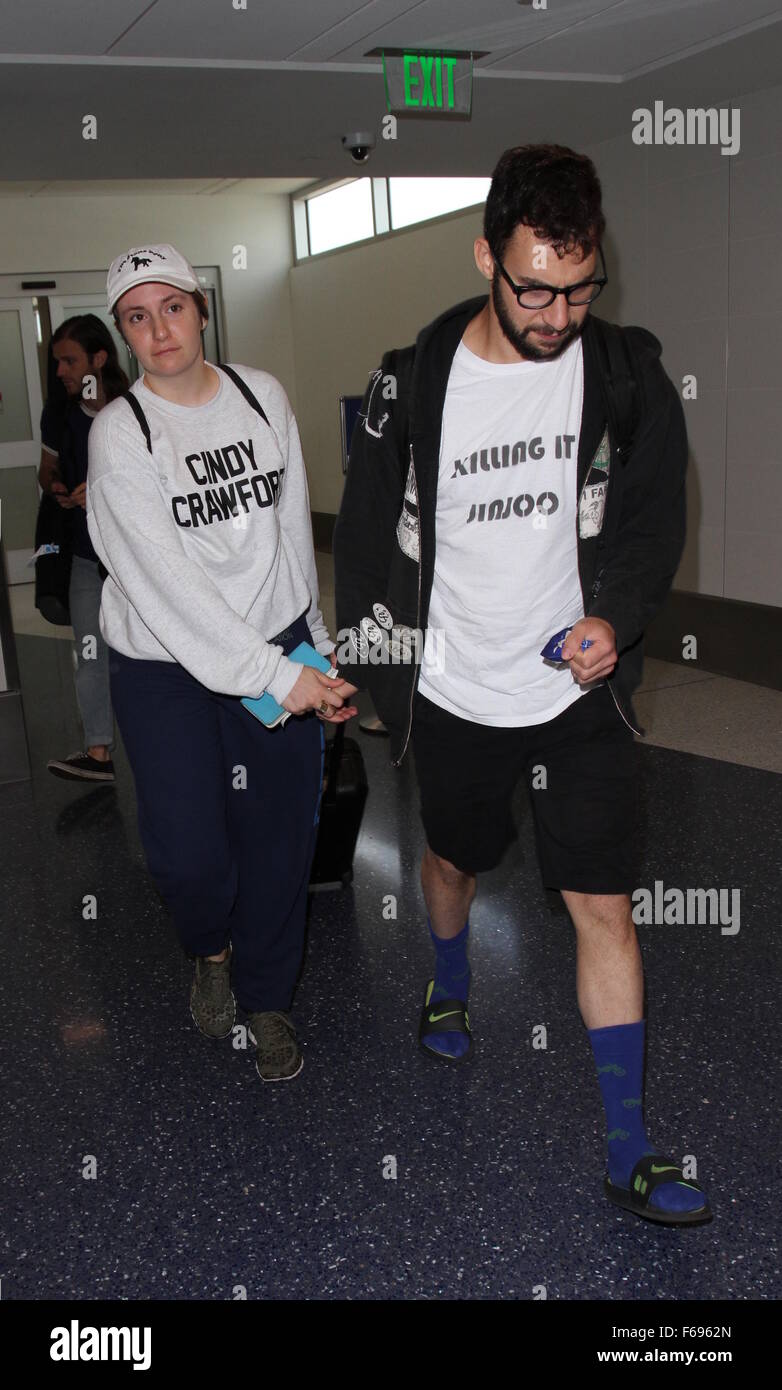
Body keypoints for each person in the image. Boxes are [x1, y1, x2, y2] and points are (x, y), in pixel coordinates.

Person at [333, 145, 711, 1224]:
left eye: (578, 288)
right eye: (534, 288)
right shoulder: (412, 384)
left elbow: (646, 521)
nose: (556, 314)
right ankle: (446, 973)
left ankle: (628, 1148)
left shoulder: (624, 371)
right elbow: (364, 539)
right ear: (483, 259)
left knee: (603, 904)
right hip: (452, 688)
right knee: (451, 857)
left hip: (574, 695)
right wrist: (375, 668)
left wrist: (614, 618)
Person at [86, 243, 358, 1082]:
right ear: (124, 333)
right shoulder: (120, 433)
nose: (158, 329)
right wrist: (279, 677)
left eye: (171, 307)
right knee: (187, 854)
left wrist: (312, 646)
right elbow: (164, 587)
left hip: (275, 642)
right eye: (137, 316)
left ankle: (267, 999)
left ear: (201, 308)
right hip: (164, 666)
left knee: (280, 836)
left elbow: (287, 535)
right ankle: (210, 949)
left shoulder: (259, 395)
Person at [39, 316, 129, 782]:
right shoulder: (59, 412)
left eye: (69, 361)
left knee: (146, 652)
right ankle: (99, 753)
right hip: (83, 554)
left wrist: (99, 487)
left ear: (99, 359)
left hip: (133, 559)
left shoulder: (134, 407)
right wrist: (54, 483)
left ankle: (166, 744)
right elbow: (45, 466)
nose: (61, 372)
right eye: (58, 362)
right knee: (90, 651)